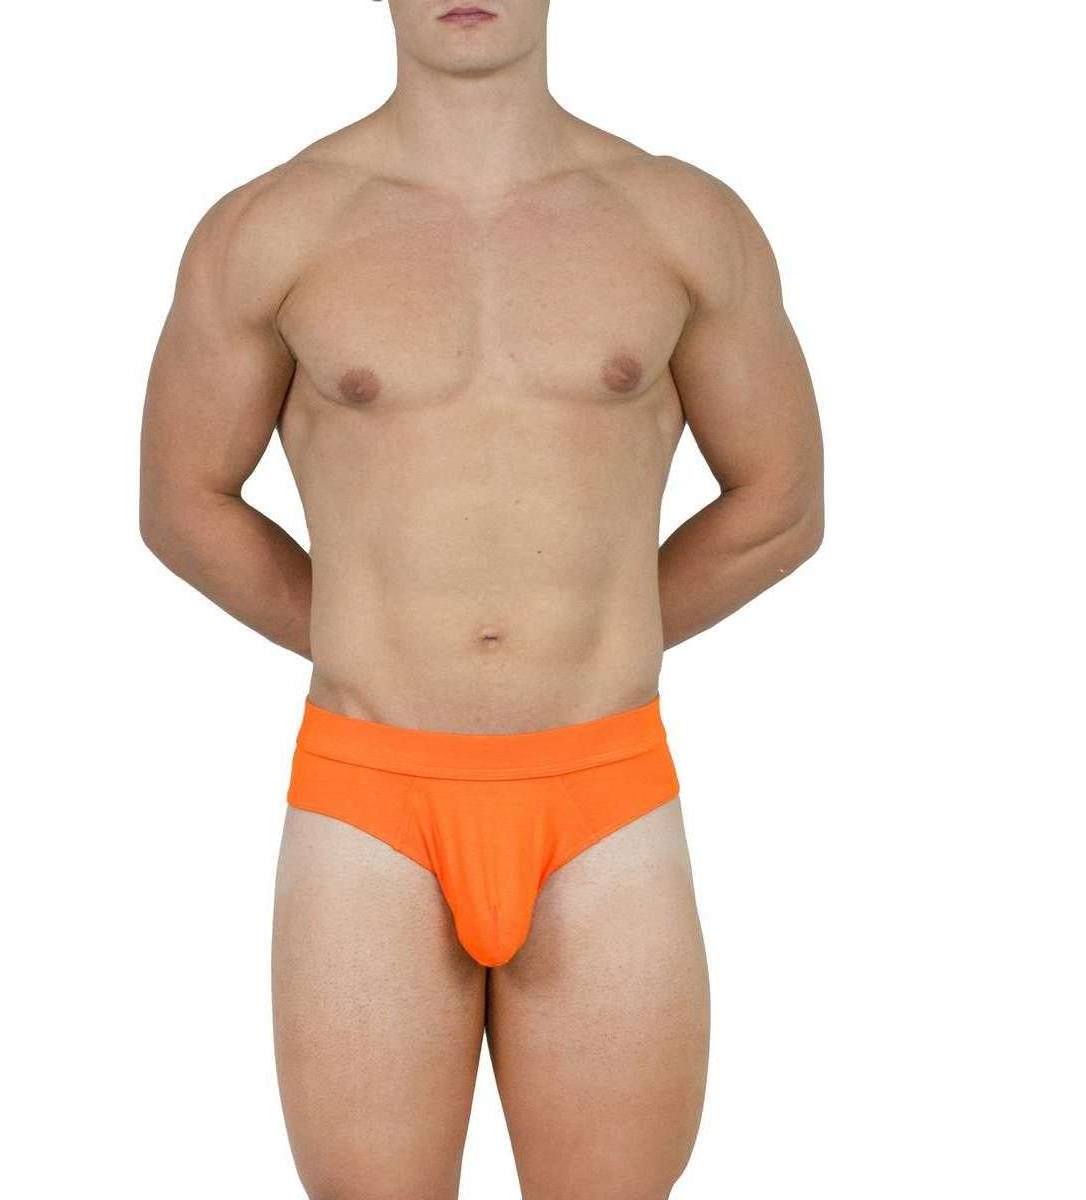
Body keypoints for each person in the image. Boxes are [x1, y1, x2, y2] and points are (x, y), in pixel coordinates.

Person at [139, 2, 823, 1196]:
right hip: (369, 800)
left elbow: (781, 503)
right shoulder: (272, 226)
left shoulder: (679, 218)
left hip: (603, 793)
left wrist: (603, 633)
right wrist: (367, 639)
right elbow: (183, 503)